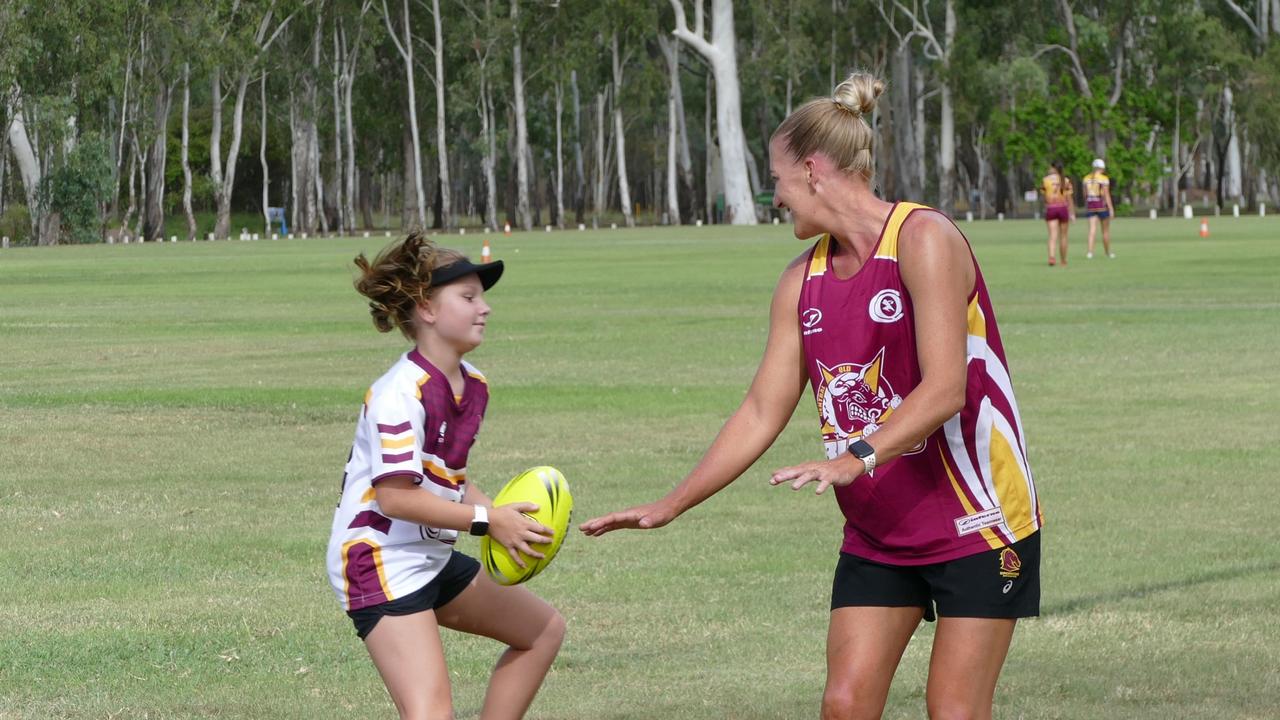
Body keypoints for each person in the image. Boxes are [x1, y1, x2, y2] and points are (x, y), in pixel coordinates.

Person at [581, 72, 1042, 720]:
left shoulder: (924, 239)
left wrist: (854, 458)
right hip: (880, 532)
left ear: (814, 170)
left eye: (777, 179)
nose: (775, 197)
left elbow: (945, 389)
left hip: (980, 520)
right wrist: (672, 504)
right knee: (844, 704)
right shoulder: (801, 282)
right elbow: (761, 410)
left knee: (955, 711)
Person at [327, 233, 565, 720]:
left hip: (429, 554)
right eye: (469, 297)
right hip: (381, 560)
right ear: (427, 309)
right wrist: (486, 521)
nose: (485, 309)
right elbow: (396, 499)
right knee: (431, 713)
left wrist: (500, 514)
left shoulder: (473, 385)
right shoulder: (398, 394)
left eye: (483, 297)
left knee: (542, 632)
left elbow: (448, 477)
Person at [1040, 162, 1074, 266]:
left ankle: (1052, 257)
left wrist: (1045, 206)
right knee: (1063, 236)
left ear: (1053, 168)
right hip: (1063, 207)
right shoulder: (1065, 180)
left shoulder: (1046, 180)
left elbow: (1044, 196)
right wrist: (1072, 213)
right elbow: (1069, 198)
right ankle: (1063, 261)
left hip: (1051, 208)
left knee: (1052, 235)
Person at [1083, 158, 1116, 258]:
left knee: (1092, 230)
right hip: (1102, 206)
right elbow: (1106, 194)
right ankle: (1107, 252)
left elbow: (1085, 195)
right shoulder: (1104, 179)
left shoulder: (1086, 178)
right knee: (1105, 231)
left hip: (1091, 206)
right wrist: (1111, 208)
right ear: (1102, 168)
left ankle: (1090, 252)